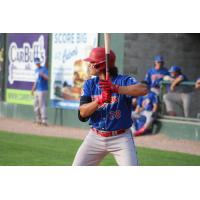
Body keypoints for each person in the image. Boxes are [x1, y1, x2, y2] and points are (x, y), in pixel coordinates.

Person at [72, 47, 148, 166]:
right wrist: (100, 100)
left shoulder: (123, 80)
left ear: (101, 65)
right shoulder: (90, 84)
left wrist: (116, 88)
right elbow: (82, 114)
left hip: (121, 138)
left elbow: (143, 89)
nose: (89, 65)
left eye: (92, 62)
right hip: (95, 137)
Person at [31, 58, 49, 126]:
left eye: (38, 63)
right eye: (36, 63)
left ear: (40, 62)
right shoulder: (36, 70)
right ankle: (38, 119)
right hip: (37, 90)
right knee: (35, 104)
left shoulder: (44, 69)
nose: (37, 64)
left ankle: (44, 120)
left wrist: (43, 75)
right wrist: (33, 89)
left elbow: (48, 78)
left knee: (42, 105)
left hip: (43, 89)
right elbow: (36, 81)